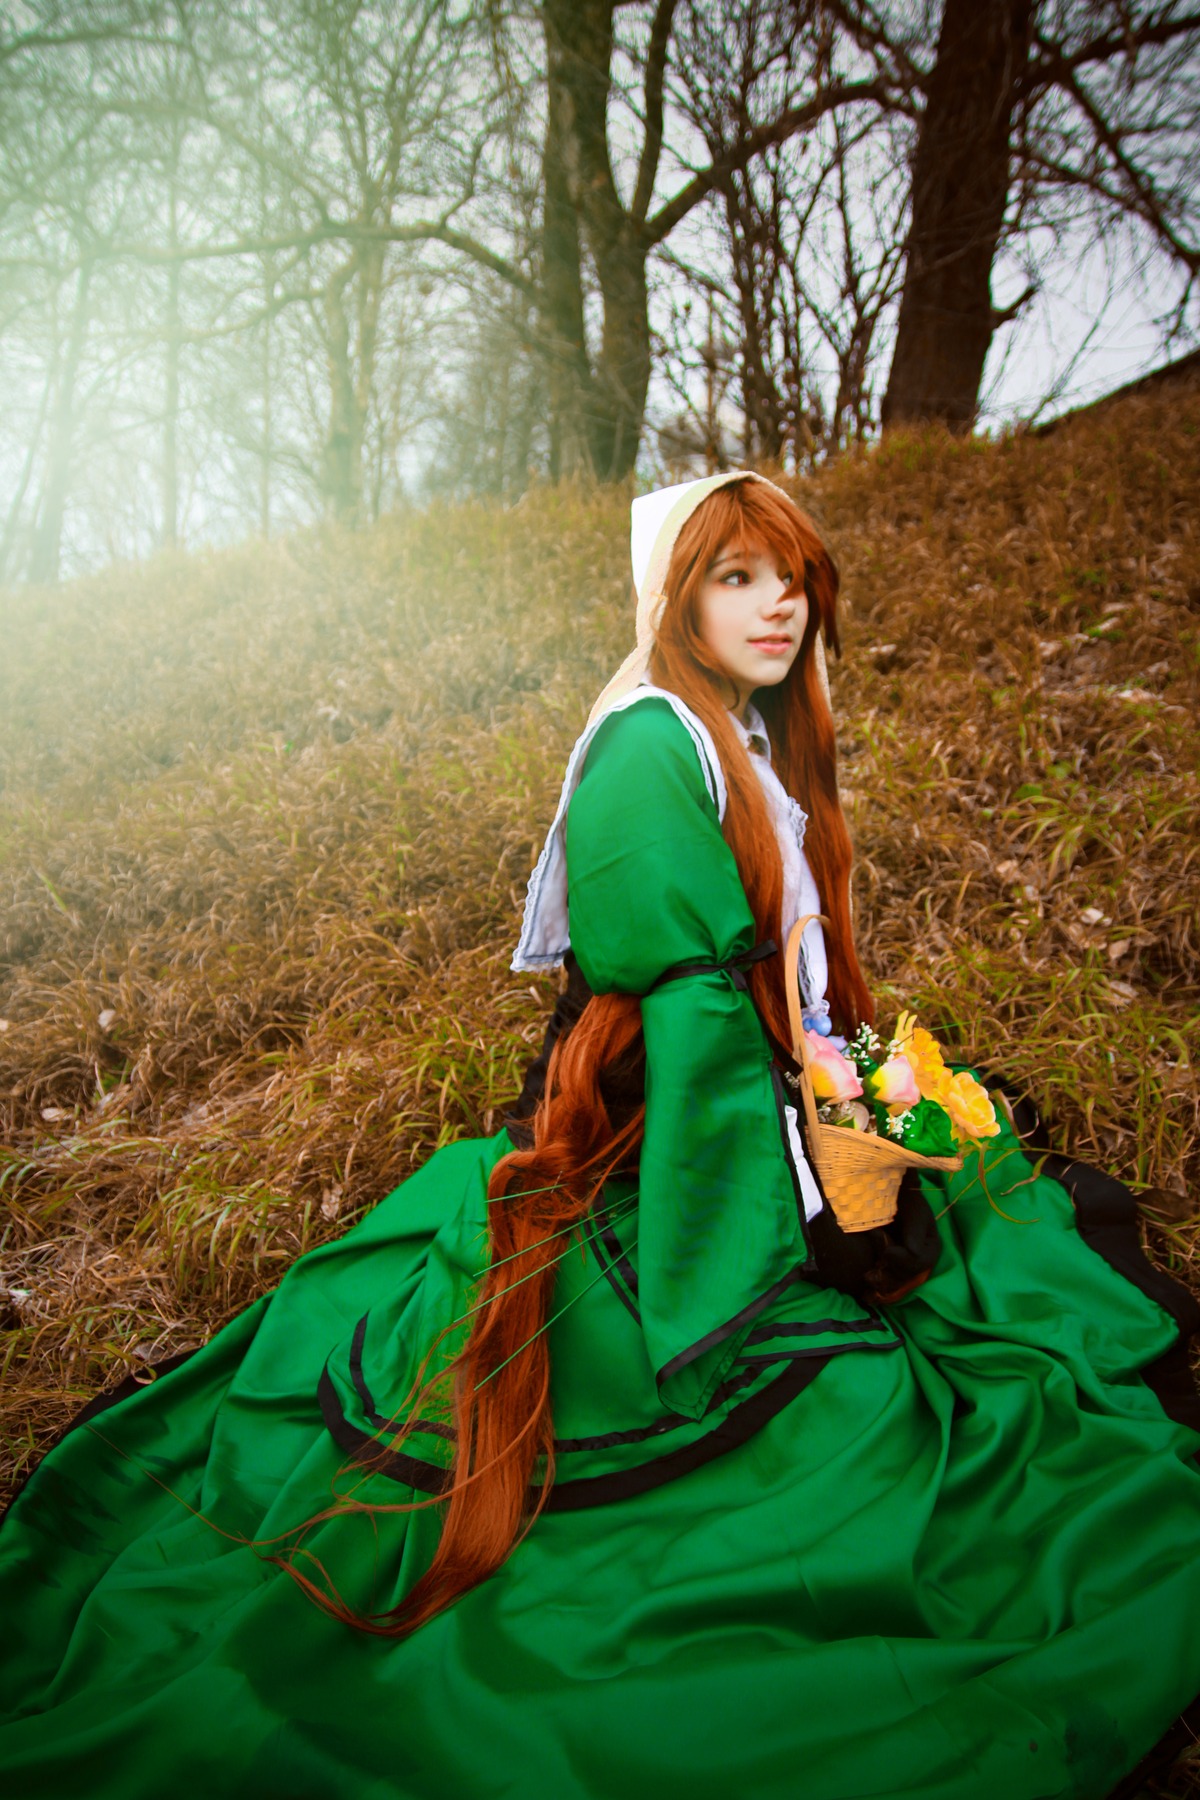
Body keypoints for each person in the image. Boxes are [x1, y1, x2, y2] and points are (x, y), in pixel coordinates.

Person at [1, 471, 1198, 1800]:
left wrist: (856, 1084)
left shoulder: (741, 737)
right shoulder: (649, 746)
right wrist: (802, 1205)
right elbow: (694, 1036)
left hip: (759, 1101)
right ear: (670, 598)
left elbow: (783, 986)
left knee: (976, 1217)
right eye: (733, 577)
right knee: (828, 1425)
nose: (777, 603)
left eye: (789, 574)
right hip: (662, 1152)